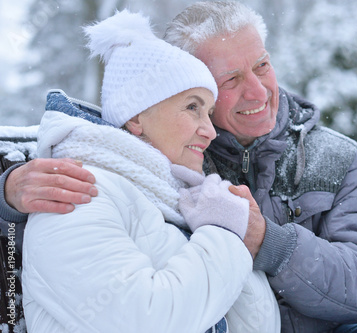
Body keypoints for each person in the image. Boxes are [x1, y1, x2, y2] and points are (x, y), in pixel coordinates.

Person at [1, 2, 357, 332]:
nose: (258, 92)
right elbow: (103, 139)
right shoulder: (171, 145)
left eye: (262, 66)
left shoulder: (335, 156)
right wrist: (7, 189)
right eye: (230, 81)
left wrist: (268, 242)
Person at [20, 10, 280, 333]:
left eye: (209, 112)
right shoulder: (76, 193)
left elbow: (260, 324)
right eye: (192, 107)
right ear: (137, 117)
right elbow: (149, 321)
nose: (210, 131)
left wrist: (223, 227)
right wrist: (224, 233)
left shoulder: (167, 196)